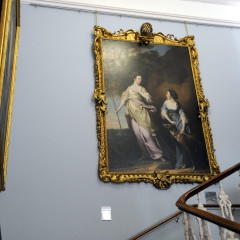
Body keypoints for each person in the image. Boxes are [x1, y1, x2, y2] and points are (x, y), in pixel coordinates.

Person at [116, 74, 165, 161]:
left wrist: (140, 92)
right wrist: (118, 109)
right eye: (139, 78)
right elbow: (124, 99)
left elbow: (149, 99)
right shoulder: (129, 88)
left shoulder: (142, 88)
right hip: (132, 113)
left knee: (147, 135)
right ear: (134, 79)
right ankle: (145, 154)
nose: (140, 80)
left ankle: (158, 154)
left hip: (142, 113)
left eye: (141, 79)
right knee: (138, 135)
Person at [161, 89, 192, 169]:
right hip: (173, 124)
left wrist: (183, 127)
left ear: (171, 95)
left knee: (182, 143)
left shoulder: (177, 104)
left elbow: (182, 115)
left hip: (179, 123)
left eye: (167, 94)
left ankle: (185, 162)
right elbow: (164, 113)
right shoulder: (166, 102)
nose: (166, 95)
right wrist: (170, 121)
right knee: (177, 143)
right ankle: (180, 163)